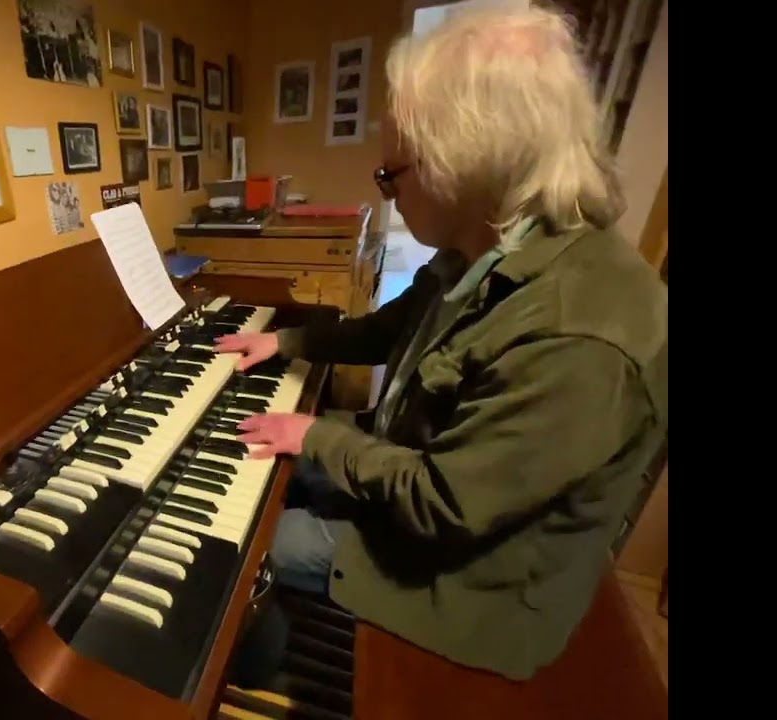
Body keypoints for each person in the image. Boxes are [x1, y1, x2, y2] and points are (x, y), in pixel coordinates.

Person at [216, 6, 667, 682]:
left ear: (458, 161)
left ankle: (254, 677)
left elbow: (444, 505)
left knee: (237, 549)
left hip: (469, 584)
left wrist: (314, 436)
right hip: (412, 479)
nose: (389, 194)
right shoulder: (485, 246)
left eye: (389, 177)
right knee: (245, 463)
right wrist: (285, 342)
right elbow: (385, 330)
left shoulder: (581, 333)